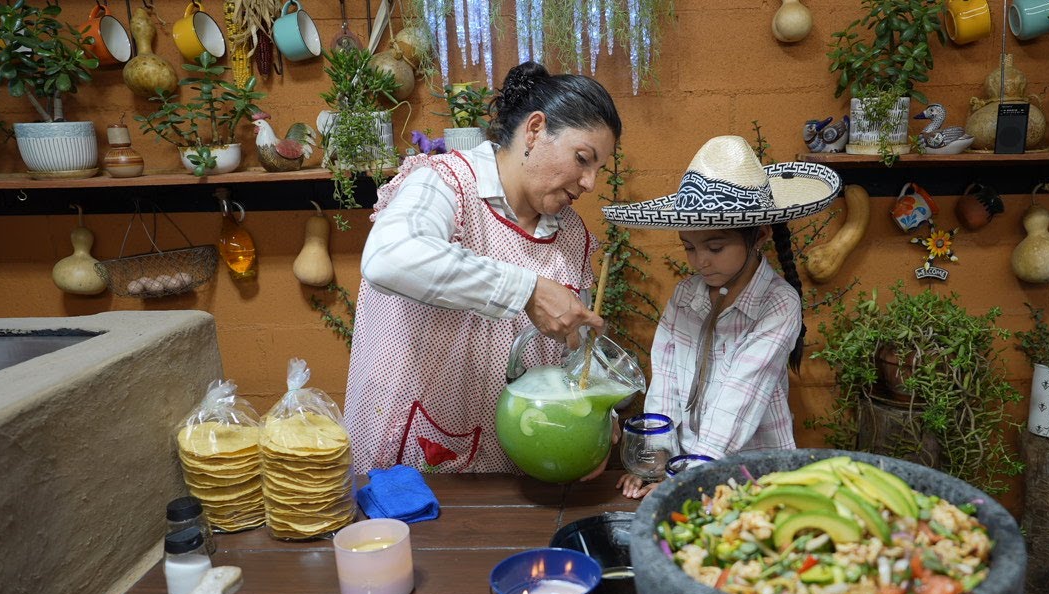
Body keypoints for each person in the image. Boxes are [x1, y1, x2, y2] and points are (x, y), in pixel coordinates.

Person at [345, 61, 622, 474]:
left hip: (517, 461)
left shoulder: (571, 236)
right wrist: (528, 290)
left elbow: (571, 352)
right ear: (534, 130)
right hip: (413, 456)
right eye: (583, 158)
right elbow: (390, 255)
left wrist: (597, 417)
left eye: (599, 170)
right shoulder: (444, 184)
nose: (589, 183)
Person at [602, 135, 840, 498]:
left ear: (758, 235)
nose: (700, 261)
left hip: (754, 477)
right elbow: (665, 382)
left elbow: (738, 399)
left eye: (715, 247)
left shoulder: (778, 304)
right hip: (685, 467)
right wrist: (656, 463)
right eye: (689, 247)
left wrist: (686, 478)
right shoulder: (685, 295)